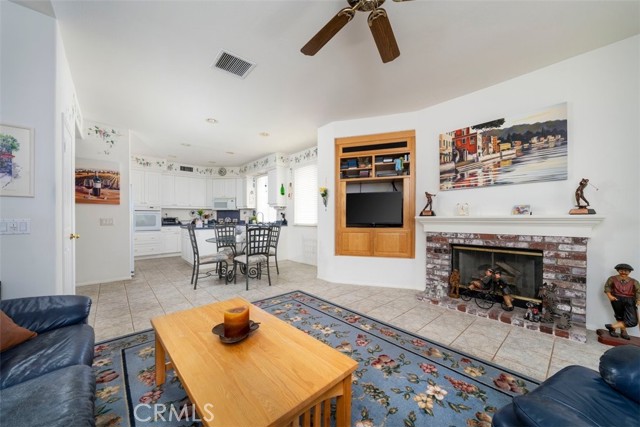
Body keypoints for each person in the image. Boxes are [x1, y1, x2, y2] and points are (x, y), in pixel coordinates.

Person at [604, 263, 640, 340]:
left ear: (629, 272)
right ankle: (623, 331)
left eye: (626, 271)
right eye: (621, 270)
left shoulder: (634, 281)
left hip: (630, 300)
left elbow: (638, 291)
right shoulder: (612, 279)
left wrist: (638, 300)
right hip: (616, 299)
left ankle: (612, 327)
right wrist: (610, 296)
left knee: (633, 321)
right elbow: (607, 287)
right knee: (619, 316)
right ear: (618, 270)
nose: (623, 272)